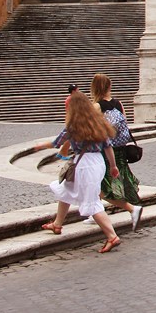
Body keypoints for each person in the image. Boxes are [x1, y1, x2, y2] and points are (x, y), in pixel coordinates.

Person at [43, 91, 124, 253]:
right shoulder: (96, 123)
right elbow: (108, 146)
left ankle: (112, 236)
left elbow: (57, 143)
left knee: (91, 202)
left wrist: (38, 147)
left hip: (85, 165)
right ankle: (57, 224)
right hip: (97, 163)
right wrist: (113, 166)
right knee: (66, 188)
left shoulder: (73, 125)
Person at [90, 73, 143, 231]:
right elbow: (125, 125)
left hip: (106, 150)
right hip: (120, 148)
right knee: (121, 181)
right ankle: (94, 212)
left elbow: (92, 128)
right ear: (109, 87)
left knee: (103, 184)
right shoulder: (118, 104)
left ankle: (132, 209)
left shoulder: (97, 106)